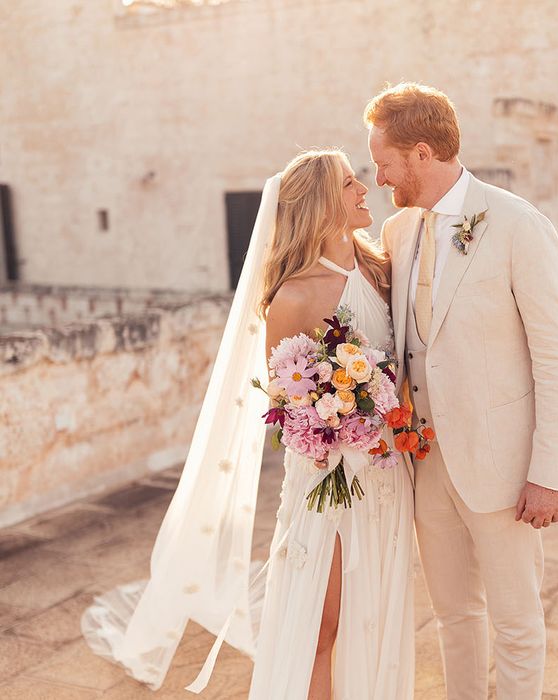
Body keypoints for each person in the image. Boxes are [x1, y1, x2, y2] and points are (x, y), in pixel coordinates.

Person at [82, 149, 414, 700]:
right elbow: (287, 405)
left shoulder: (382, 270)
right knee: (320, 626)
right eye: (350, 183)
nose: (365, 189)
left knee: (376, 612)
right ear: (321, 203)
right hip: (328, 484)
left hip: (386, 475)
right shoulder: (293, 295)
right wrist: (342, 418)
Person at [365, 82, 558, 699]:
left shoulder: (518, 224)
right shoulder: (400, 230)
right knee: (454, 615)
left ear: (422, 154)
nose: (379, 176)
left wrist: (550, 471)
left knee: (516, 622)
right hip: (426, 461)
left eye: (384, 162)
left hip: (506, 469)